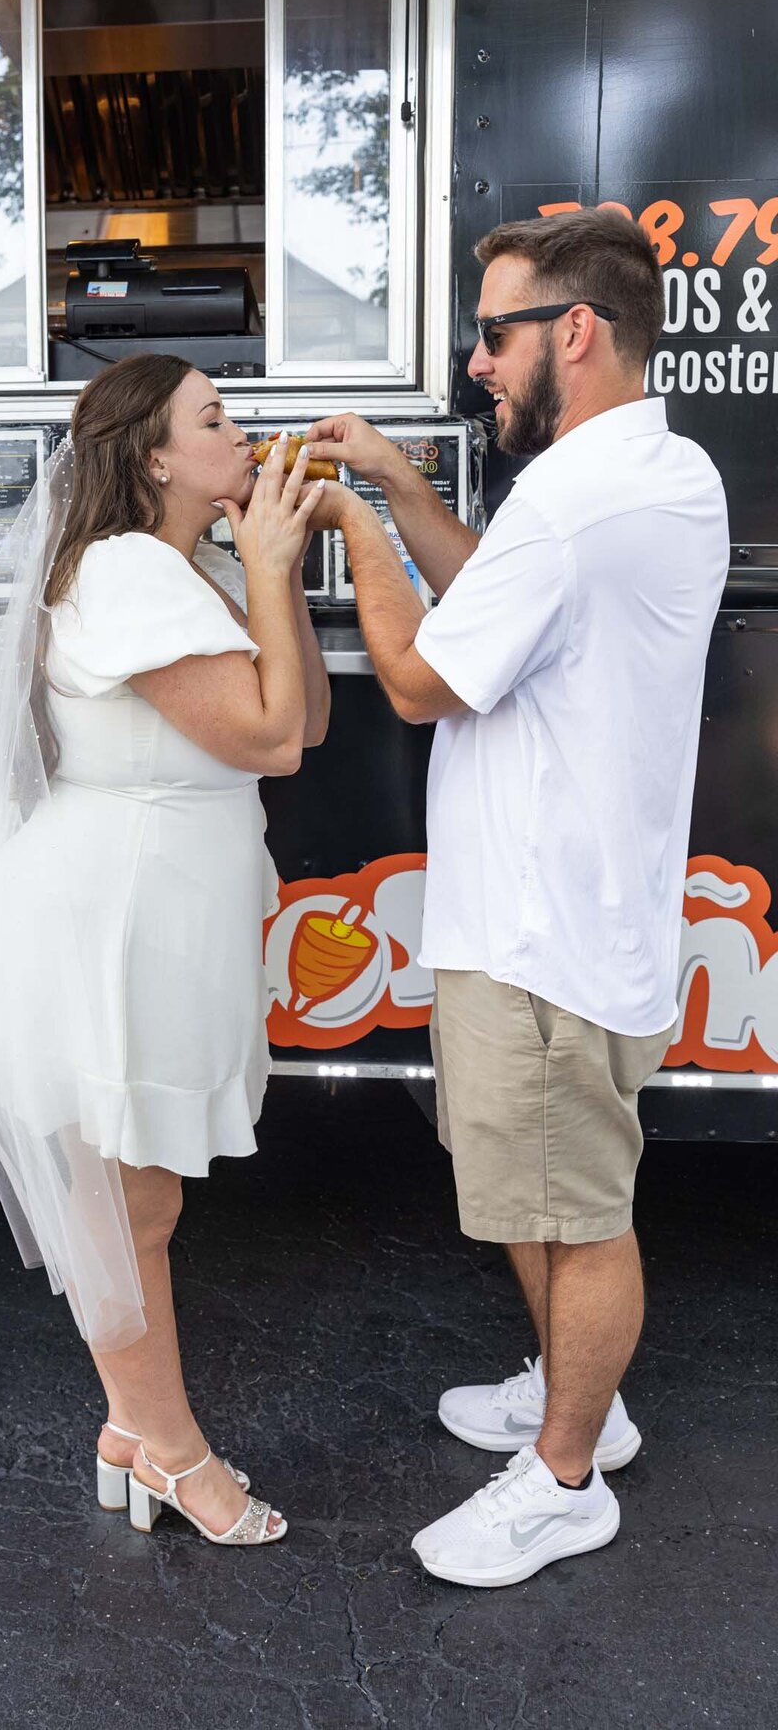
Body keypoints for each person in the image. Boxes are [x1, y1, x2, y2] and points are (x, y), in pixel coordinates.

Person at [303, 208, 729, 1586]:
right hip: (582, 911)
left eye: (495, 333)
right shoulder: (659, 472)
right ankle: (574, 1398)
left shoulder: (572, 497)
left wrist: (354, 526)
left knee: (575, 1207)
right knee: (550, 1188)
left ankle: (560, 1475)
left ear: (577, 332)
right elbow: (499, 589)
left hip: (540, 927)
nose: (478, 362)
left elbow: (427, 674)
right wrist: (397, 481)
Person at [0, 354, 330, 1547]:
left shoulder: (190, 566)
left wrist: (271, 572)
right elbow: (272, 737)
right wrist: (266, 565)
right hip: (109, 921)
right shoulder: (123, 571)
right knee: (126, 1203)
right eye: (216, 418)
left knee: (138, 1199)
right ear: (155, 455)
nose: (244, 433)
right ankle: (172, 1451)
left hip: (156, 914)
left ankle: (129, 1429)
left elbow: (304, 715)